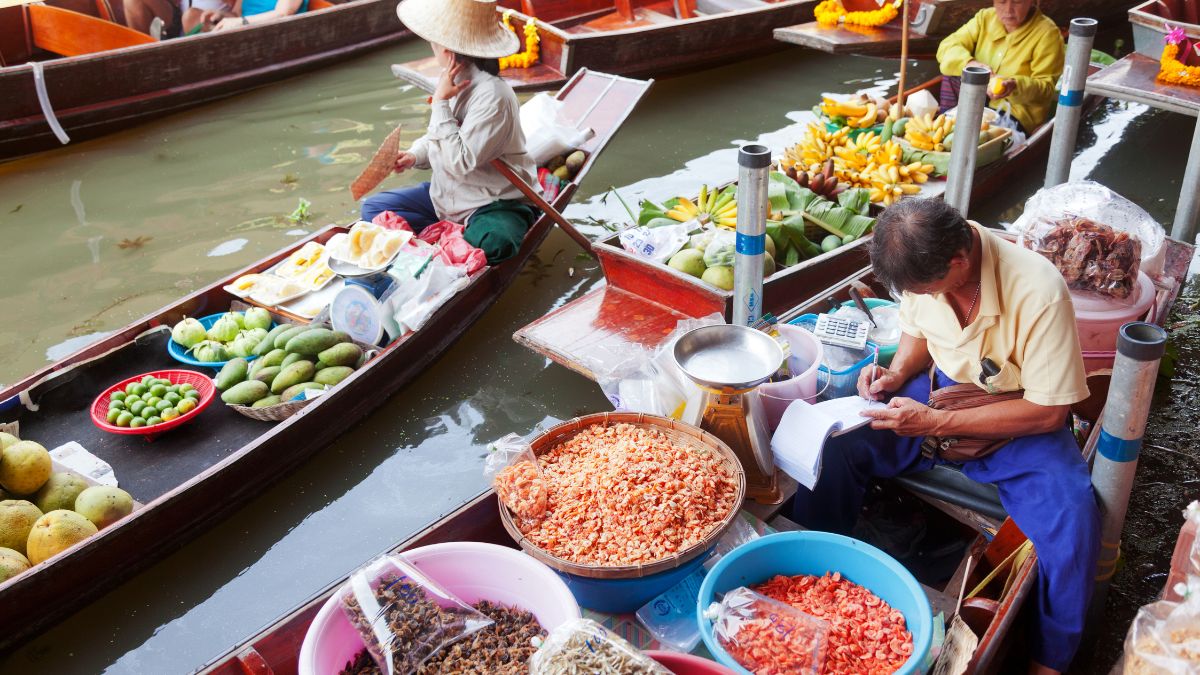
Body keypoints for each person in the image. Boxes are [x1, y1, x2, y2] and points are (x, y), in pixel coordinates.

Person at [790, 199, 1100, 675]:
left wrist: (935, 424)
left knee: (1074, 516)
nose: (920, 296)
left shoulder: (1038, 291)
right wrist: (895, 375)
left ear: (959, 262)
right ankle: (809, 573)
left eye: (926, 288)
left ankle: (1049, 660)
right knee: (836, 443)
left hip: (1017, 416)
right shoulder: (924, 265)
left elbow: (1047, 413)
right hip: (938, 394)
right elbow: (917, 332)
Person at [360, 0, 538, 264]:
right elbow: (438, 138)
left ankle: (449, 244)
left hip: (491, 201)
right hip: (447, 196)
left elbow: (460, 161)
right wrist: (414, 155)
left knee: (494, 242)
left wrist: (441, 103)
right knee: (372, 208)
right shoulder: (451, 81)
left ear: (446, 50)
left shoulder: (494, 96)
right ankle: (446, 241)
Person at [936, 0, 1065, 134]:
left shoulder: (1048, 33)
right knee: (953, 70)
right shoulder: (985, 18)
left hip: (1013, 114)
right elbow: (947, 46)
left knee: (981, 139)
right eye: (1002, 1)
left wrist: (1014, 86)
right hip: (976, 98)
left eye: (1017, 2)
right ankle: (944, 126)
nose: (1008, 10)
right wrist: (970, 63)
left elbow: (1046, 89)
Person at [183, 0, 307, 33]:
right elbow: (236, 14)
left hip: (273, 33)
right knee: (191, 17)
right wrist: (221, 16)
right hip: (244, 32)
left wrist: (243, 22)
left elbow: (283, 13)